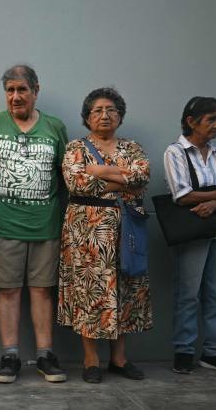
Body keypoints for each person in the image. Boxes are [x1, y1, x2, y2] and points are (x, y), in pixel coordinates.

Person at [0, 64, 68, 384]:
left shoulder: (55, 127)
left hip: (44, 227)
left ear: (36, 91)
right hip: (1, 227)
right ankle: (10, 355)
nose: (15, 96)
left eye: (22, 90)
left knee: (42, 291)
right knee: (7, 291)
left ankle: (46, 356)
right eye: (10, 90)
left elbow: (66, 175)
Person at [57, 87, 152, 384]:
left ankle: (119, 360)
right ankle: (91, 360)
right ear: (87, 117)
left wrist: (98, 170)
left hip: (126, 232)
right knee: (90, 293)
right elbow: (77, 184)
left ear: (120, 116)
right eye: (97, 110)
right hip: (86, 233)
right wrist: (120, 179)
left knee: (124, 289)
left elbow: (141, 177)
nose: (104, 115)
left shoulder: (132, 148)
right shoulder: (75, 148)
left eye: (111, 110)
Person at [163, 97, 216, 376]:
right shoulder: (175, 152)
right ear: (191, 121)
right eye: (211, 120)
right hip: (193, 235)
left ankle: (214, 352)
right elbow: (182, 195)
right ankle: (183, 350)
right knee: (188, 294)